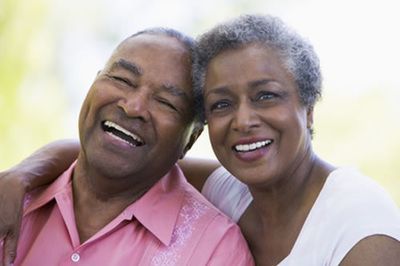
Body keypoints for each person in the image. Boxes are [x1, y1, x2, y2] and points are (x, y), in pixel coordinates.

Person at [1, 14, 400, 265]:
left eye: (266, 96)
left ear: (309, 108)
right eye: (222, 104)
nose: (243, 120)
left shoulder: (362, 226)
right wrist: (19, 175)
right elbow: (117, 153)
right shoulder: (231, 188)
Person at [0, 28, 254, 266]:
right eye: (122, 79)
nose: (133, 107)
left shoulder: (214, 251)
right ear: (94, 82)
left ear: (190, 139)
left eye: (166, 102)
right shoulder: (13, 201)